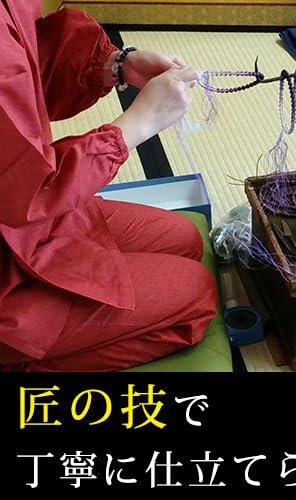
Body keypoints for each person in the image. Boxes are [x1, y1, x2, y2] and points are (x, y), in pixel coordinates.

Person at [0, 1, 217, 371]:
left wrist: (114, 66)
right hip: (12, 258)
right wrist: (135, 125)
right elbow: (28, 190)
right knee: (197, 297)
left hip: (27, 224)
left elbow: (22, 72)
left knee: (185, 240)